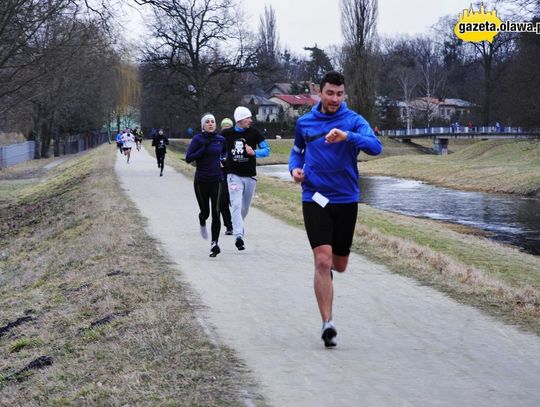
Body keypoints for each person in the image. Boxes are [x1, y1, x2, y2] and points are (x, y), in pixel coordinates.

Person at [288, 71, 382, 348]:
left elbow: (376, 147)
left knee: (338, 265)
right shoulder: (305, 122)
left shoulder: (353, 120)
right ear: (320, 92)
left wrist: (348, 137)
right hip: (314, 196)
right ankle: (327, 323)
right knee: (322, 261)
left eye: (339, 94)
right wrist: (294, 169)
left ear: (344, 95)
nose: (334, 99)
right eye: (330, 93)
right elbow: (297, 152)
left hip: (345, 199)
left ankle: (329, 268)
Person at [222, 106, 270, 251]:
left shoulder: (255, 133)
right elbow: (217, 148)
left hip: (250, 176)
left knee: (244, 208)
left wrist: (254, 152)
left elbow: (267, 150)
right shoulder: (226, 134)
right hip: (233, 175)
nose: (251, 120)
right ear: (240, 120)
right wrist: (220, 158)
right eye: (248, 118)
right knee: (235, 204)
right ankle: (238, 236)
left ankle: (238, 225)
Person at [186, 113, 226, 257]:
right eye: (207, 122)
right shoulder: (198, 139)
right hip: (201, 181)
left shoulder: (221, 139)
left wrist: (224, 160)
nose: (210, 124)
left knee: (216, 212)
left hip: (217, 180)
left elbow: (225, 153)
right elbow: (188, 158)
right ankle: (202, 220)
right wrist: (204, 148)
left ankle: (214, 243)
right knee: (206, 212)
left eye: (213, 122)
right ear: (203, 125)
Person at [219, 118, 234, 235]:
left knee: (234, 201)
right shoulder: (218, 140)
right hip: (222, 174)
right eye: (225, 126)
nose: (226, 128)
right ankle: (228, 226)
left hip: (234, 175)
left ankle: (237, 224)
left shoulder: (236, 139)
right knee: (223, 201)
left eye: (229, 126)